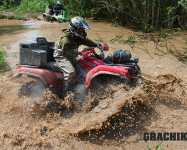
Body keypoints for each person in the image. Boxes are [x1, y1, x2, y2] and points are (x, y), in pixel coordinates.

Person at [53, 17, 103, 94]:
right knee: (71, 72)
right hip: (61, 55)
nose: (82, 31)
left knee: (81, 65)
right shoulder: (65, 39)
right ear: (74, 29)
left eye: (83, 29)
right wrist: (79, 52)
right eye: (81, 29)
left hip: (71, 53)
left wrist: (97, 45)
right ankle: (65, 91)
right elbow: (65, 52)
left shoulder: (77, 36)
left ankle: (78, 83)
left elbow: (86, 41)